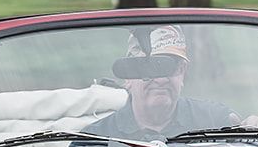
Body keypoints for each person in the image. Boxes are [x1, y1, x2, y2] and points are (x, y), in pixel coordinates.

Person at [83, 25, 241, 139]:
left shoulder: (215, 120)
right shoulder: (94, 140)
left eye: (170, 67)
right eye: (149, 67)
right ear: (128, 77)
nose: (161, 79)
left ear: (182, 72)